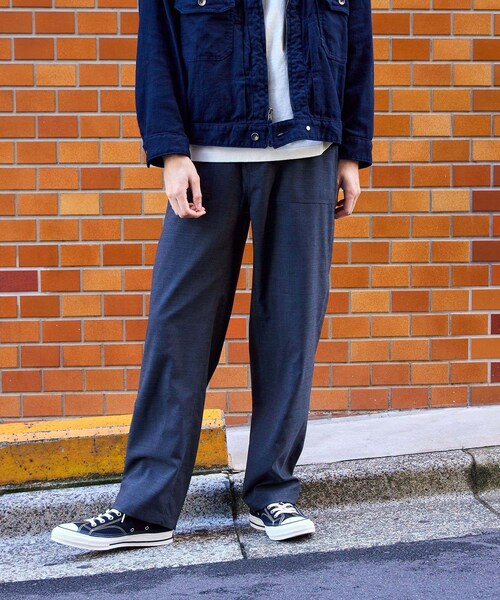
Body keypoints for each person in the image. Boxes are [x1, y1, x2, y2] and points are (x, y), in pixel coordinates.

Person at [51, 0, 374, 551]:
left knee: (291, 327)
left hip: (309, 151)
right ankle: (147, 509)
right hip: (208, 154)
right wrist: (169, 151)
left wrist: (352, 153)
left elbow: (357, 47)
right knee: (178, 328)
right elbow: (156, 49)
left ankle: (273, 492)